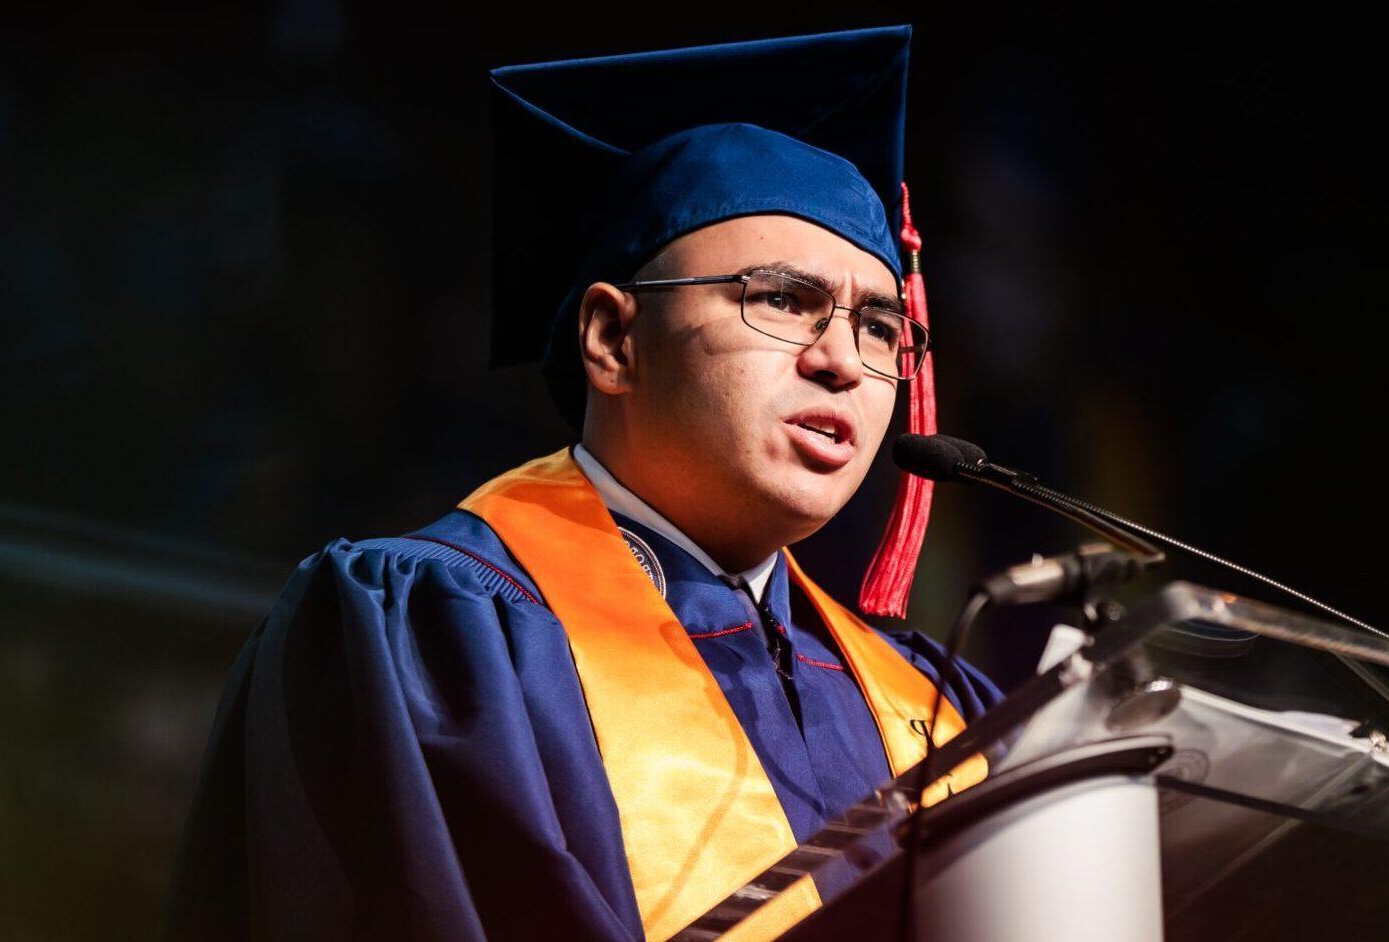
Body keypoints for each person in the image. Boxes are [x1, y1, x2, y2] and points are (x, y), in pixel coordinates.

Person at [167, 25, 1001, 942]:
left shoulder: (932, 707)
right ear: (612, 340)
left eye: (882, 327)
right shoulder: (437, 633)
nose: (844, 360)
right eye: (783, 300)